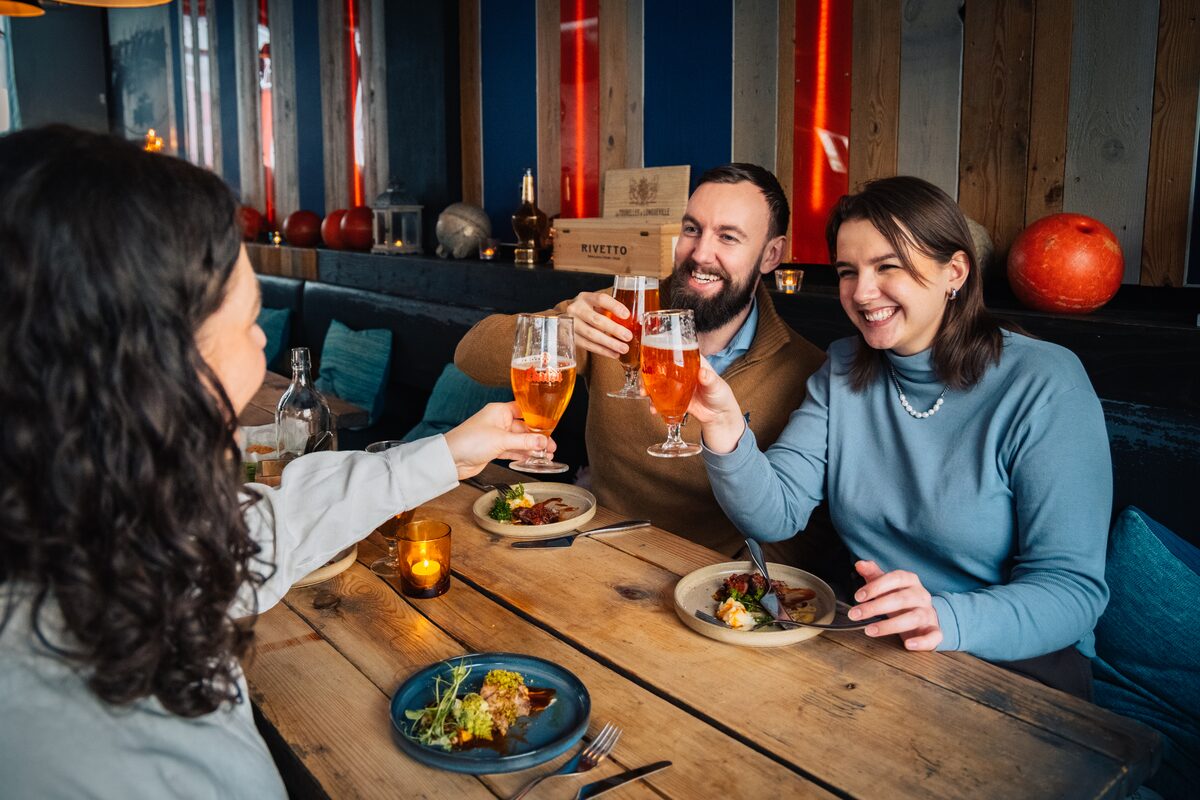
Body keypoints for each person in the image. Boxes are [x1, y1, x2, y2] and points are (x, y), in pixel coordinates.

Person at [0, 126, 553, 797]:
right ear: (151, 372)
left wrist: (444, 453)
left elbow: (267, 522)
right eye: (250, 323)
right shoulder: (104, 761)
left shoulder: (99, 535)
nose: (263, 350)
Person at [692, 176, 1111, 697]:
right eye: (848, 272)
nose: (863, 293)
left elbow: (1072, 592)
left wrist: (944, 616)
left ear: (954, 272)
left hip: (1012, 662)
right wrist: (726, 430)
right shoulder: (843, 368)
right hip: (876, 647)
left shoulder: (1044, 382)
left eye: (888, 266)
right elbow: (773, 514)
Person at [456, 163, 827, 557]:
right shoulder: (618, 318)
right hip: (593, 546)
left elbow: (793, 527)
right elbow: (470, 356)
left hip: (703, 574)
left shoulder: (804, 370)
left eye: (728, 237)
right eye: (691, 229)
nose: (701, 253)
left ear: (771, 254)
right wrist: (564, 322)